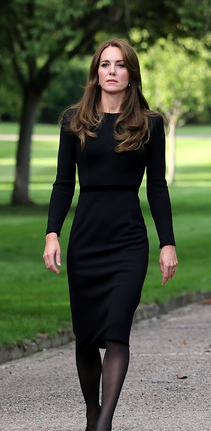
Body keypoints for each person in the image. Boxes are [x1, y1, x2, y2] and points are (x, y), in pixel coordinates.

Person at [42, 39, 177, 431]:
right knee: (86, 339)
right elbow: (63, 183)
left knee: (117, 330)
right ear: (96, 72)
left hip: (128, 240)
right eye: (105, 65)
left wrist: (167, 242)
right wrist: (53, 233)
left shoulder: (149, 123)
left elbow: (157, 189)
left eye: (120, 64)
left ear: (131, 73)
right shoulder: (74, 120)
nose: (112, 71)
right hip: (87, 238)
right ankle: (91, 413)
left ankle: (104, 424)